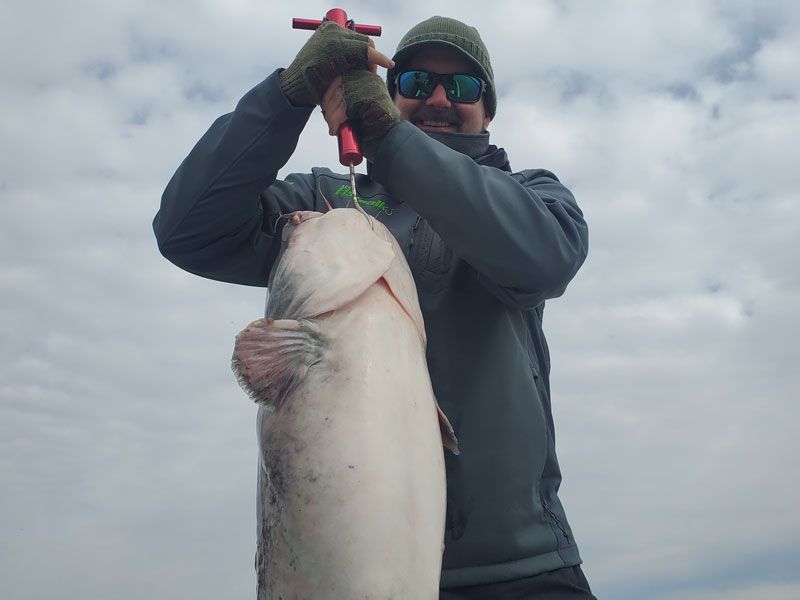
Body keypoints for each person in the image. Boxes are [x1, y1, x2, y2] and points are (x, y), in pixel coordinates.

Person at [154, 15, 594, 600]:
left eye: (462, 88)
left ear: (487, 112)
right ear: (389, 92)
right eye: (415, 81)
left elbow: (543, 258)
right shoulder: (325, 204)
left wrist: (391, 141)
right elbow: (190, 230)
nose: (439, 98)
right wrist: (286, 96)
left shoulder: (532, 197)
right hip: (340, 561)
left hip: (519, 570)